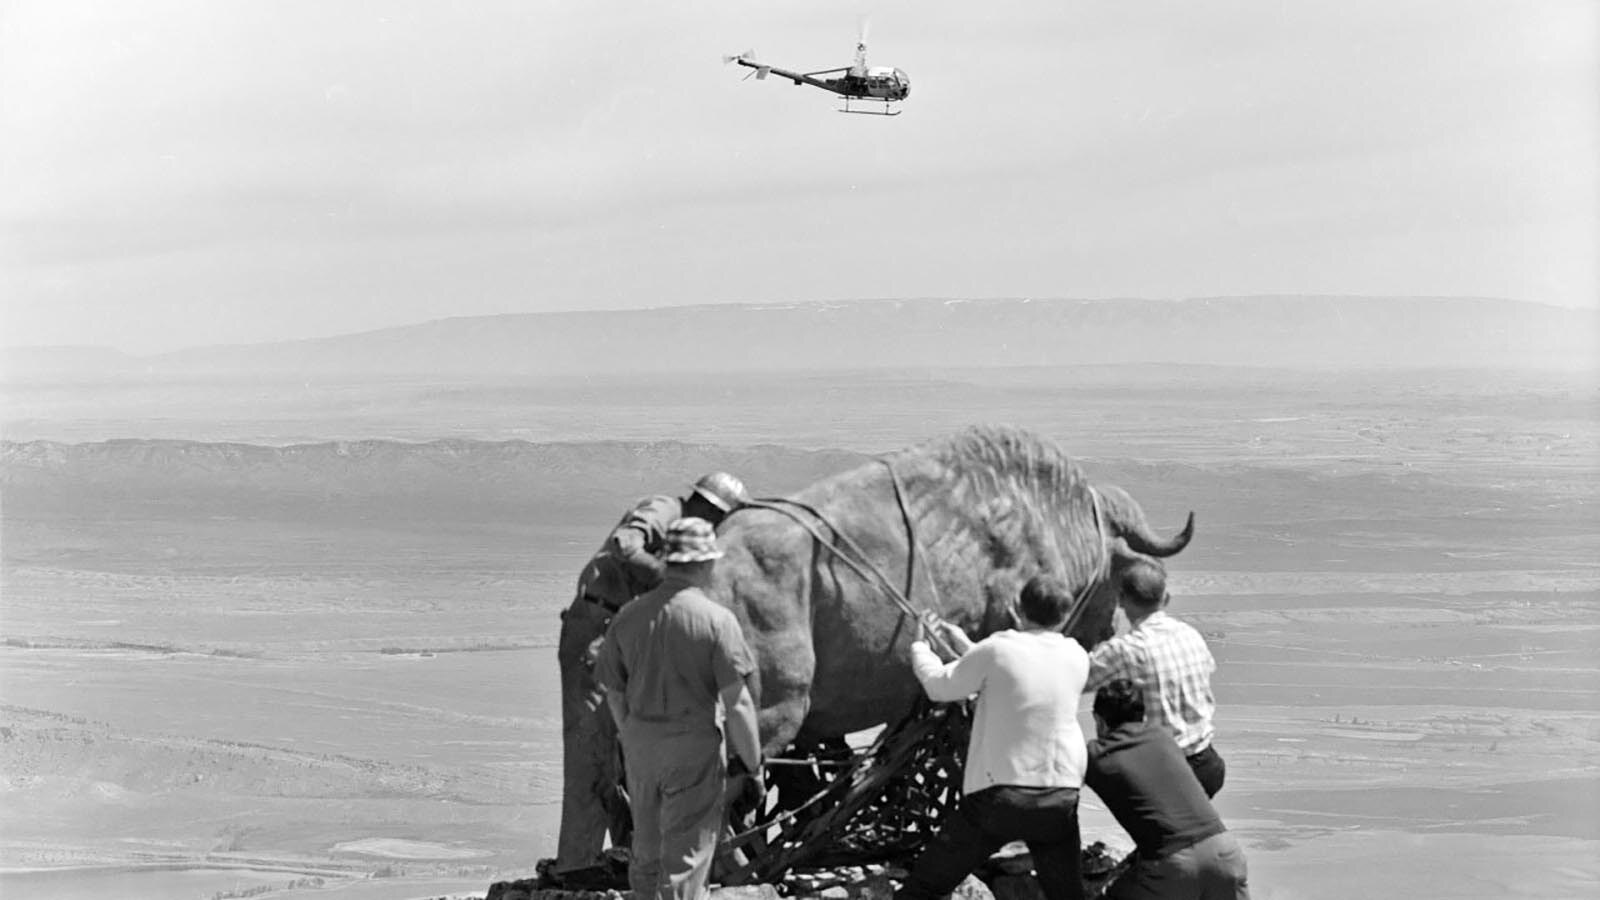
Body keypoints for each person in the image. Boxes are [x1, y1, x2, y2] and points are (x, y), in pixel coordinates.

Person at [556, 472, 751, 870]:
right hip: (596, 629)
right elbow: (626, 542)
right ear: (708, 508)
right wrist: (668, 578)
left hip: (623, 638)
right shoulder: (667, 509)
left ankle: (628, 858)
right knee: (591, 753)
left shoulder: (684, 528)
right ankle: (577, 867)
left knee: (631, 756)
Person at [594, 517, 763, 900]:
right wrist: (753, 765)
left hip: (640, 747)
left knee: (647, 852)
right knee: (686, 858)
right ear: (705, 563)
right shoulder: (717, 621)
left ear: (669, 561)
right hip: (693, 751)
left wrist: (634, 736)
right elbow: (738, 704)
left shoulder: (628, 617)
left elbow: (614, 692)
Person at [896, 574, 1091, 900]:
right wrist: (964, 645)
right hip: (1060, 796)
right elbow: (1019, 672)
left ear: (1018, 609)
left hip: (999, 799)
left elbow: (939, 686)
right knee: (1068, 895)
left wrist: (919, 646)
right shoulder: (1077, 655)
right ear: (1065, 616)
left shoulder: (997, 649)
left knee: (924, 888)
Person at [1086, 679, 1250, 899]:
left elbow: (1059, 795)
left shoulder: (1097, 755)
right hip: (1226, 853)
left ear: (1099, 720)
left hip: (1174, 865)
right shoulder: (1163, 737)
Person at [1085, 559, 1227, 797]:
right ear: (1166, 598)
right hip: (1206, 762)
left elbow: (1077, 678)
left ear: (1121, 600)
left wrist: (1100, 634)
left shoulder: (1127, 650)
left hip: (1167, 770)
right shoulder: (1190, 635)